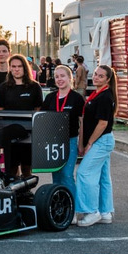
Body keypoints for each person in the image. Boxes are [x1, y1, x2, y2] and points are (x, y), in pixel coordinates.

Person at [76, 64, 117, 227]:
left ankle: (91, 212)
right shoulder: (96, 94)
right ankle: (105, 211)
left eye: (101, 76)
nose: (96, 77)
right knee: (103, 177)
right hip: (102, 140)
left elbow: (103, 123)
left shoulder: (105, 97)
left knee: (84, 173)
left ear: (108, 79)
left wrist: (89, 143)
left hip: (101, 141)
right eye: (95, 74)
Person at [41, 64, 85, 200]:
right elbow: (43, 119)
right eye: (56, 77)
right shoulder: (50, 98)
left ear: (70, 78)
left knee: (67, 175)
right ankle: (59, 205)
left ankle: (73, 206)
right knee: (56, 176)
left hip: (70, 140)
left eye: (62, 76)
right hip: (54, 143)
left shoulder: (77, 98)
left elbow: (82, 122)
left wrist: (81, 144)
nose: (59, 79)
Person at [0, 54, 44, 178]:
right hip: (10, 135)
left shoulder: (34, 87)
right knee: (11, 171)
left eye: (19, 66)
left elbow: (38, 110)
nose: (16, 69)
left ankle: (26, 189)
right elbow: (0, 111)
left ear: (25, 67)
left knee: (27, 169)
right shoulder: (3, 88)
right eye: (13, 66)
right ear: (10, 68)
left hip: (28, 135)